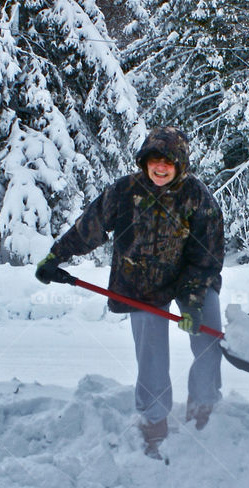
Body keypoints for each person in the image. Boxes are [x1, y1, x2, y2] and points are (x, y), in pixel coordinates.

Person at [34, 126, 224, 461]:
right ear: (144, 161)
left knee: (209, 336)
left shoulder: (197, 197)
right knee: (151, 352)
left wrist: (192, 303)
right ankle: (154, 422)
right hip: (142, 282)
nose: (161, 167)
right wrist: (56, 256)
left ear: (181, 163)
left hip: (191, 277)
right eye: (155, 160)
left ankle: (203, 409)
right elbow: (87, 228)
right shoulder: (123, 192)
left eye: (169, 161)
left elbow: (206, 257)